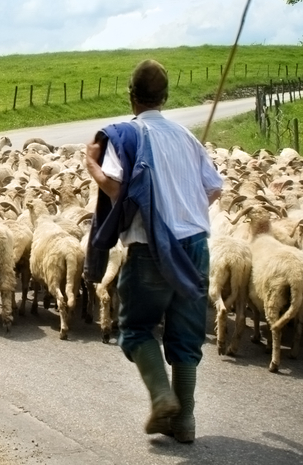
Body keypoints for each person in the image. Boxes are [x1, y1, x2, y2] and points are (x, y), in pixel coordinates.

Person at [84, 59, 223, 443]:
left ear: (132, 98)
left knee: (136, 328)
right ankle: (186, 421)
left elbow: (114, 188)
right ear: (164, 97)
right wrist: (185, 211)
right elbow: (214, 188)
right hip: (194, 245)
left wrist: (91, 162)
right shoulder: (186, 137)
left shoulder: (128, 136)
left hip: (150, 247)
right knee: (187, 335)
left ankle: (163, 397)